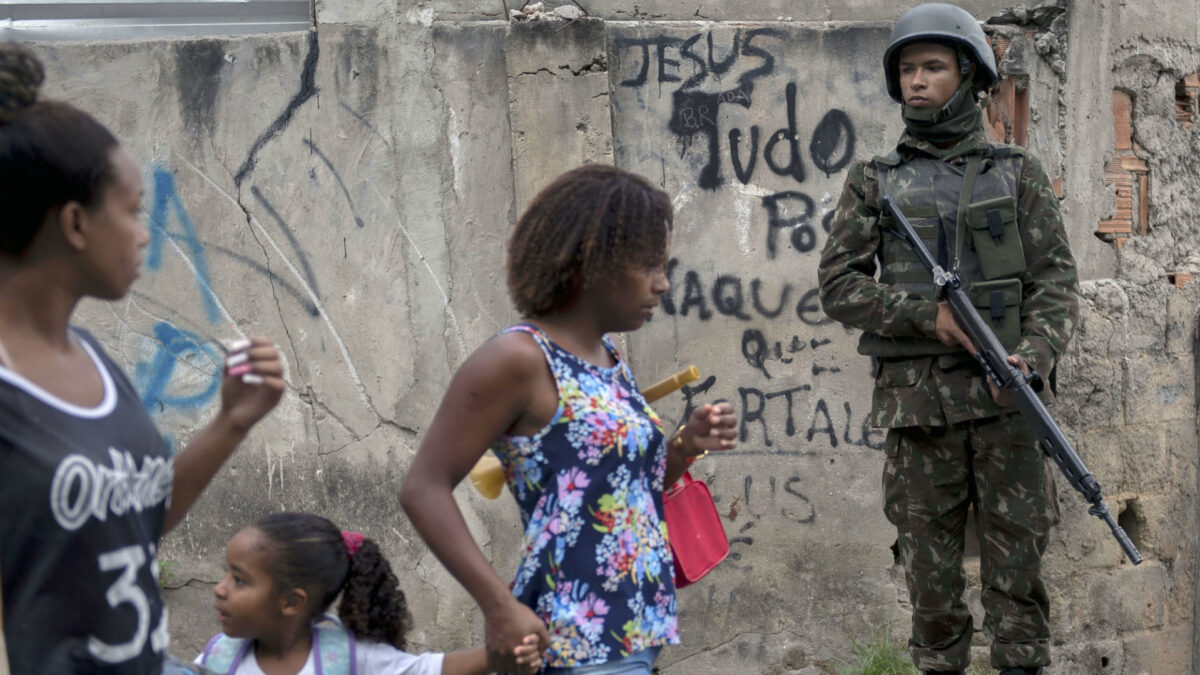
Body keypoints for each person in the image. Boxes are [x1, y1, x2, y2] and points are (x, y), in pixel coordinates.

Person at [0, 42, 285, 674]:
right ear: (75, 223)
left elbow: (133, 524)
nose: (145, 233)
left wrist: (232, 422)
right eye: (131, 211)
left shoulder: (93, 361)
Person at [816, 5, 1079, 675]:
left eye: (933, 66)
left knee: (1018, 573)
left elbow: (1055, 282)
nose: (916, 81)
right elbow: (839, 287)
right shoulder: (874, 180)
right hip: (918, 414)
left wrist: (1035, 355)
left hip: (1005, 407)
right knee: (930, 583)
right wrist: (924, 316)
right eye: (907, 69)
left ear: (968, 75)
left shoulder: (1018, 173)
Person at [400, 164, 738, 674]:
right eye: (648, 265)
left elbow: (626, 492)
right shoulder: (518, 360)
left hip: (636, 627)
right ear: (592, 261)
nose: (663, 284)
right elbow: (423, 486)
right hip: (571, 638)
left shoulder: (610, 357)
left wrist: (685, 445)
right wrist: (497, 606)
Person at [195, 512, 544, 675]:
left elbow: (425, 671)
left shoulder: (344, 657)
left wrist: (502, 653)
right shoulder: (217, 660)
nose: (220, 589)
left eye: (239, 580)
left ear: (292, 602)